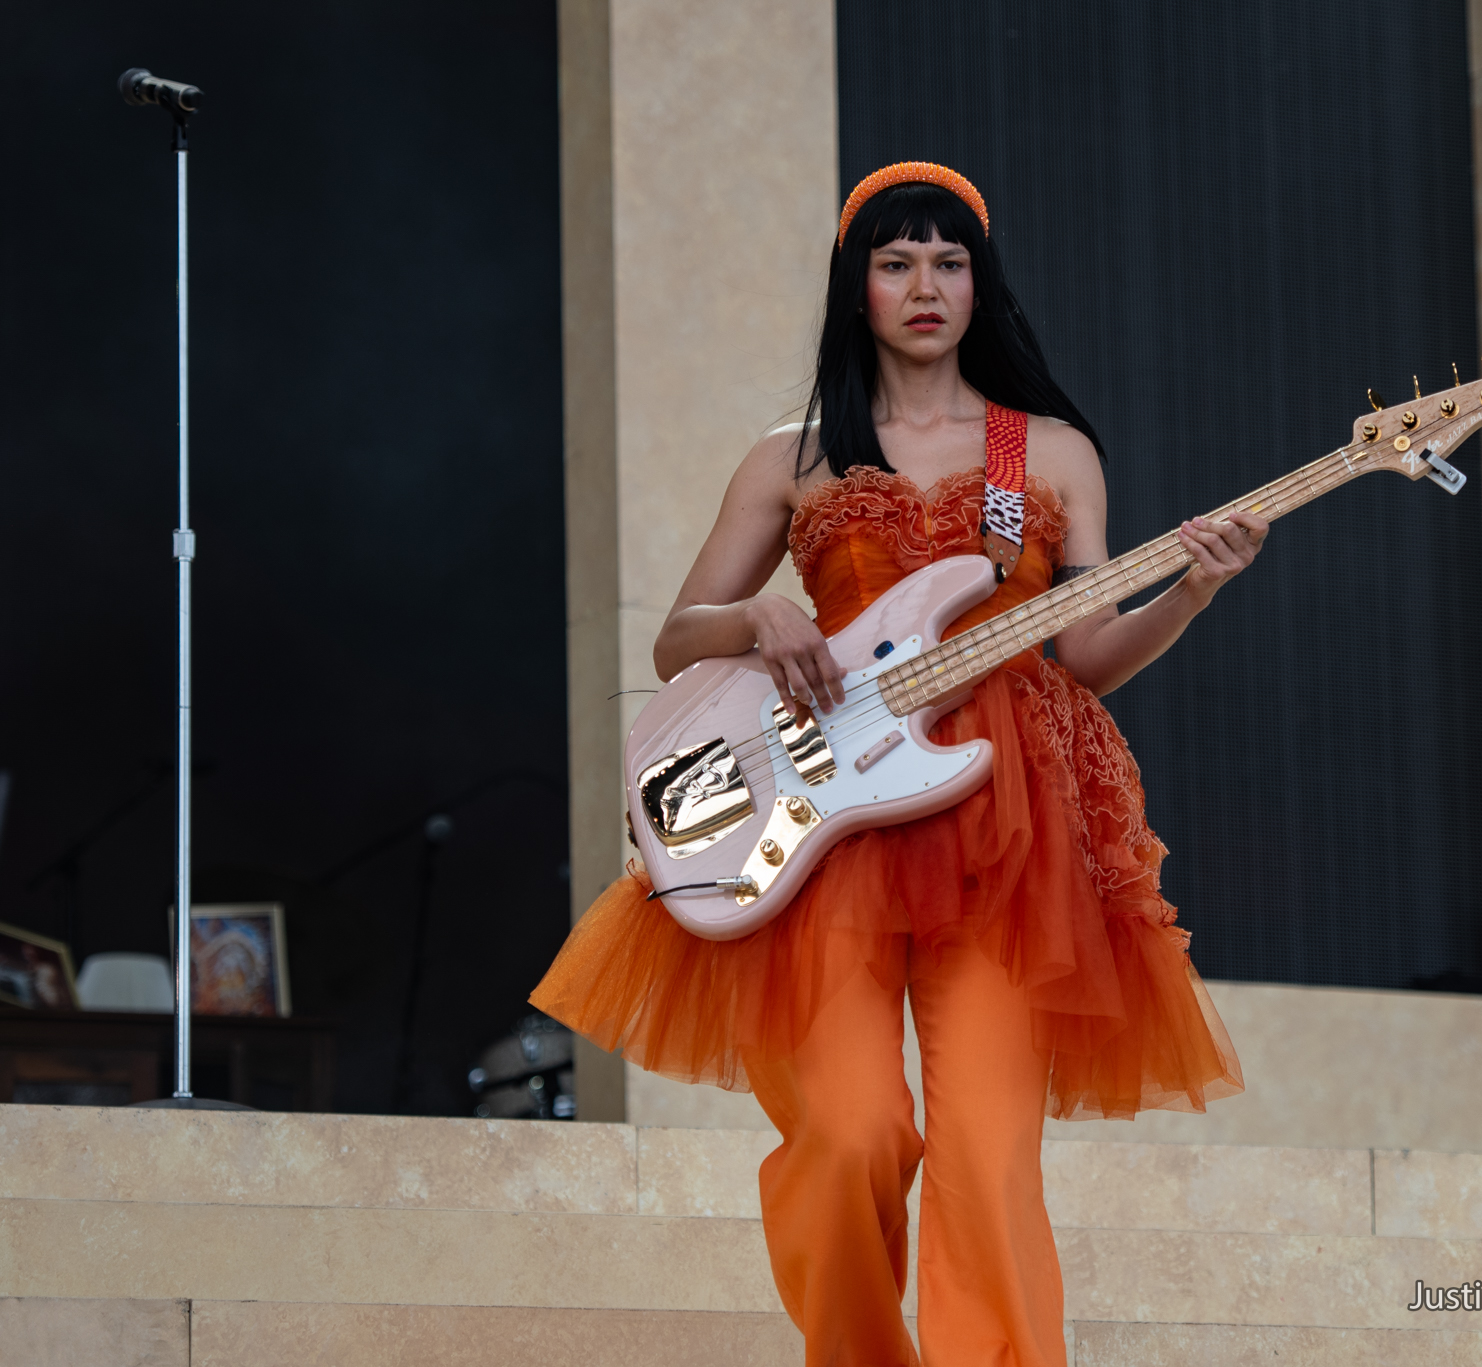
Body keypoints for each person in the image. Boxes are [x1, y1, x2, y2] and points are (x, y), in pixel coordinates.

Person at [532, 162, 1266, 1367]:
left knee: (985, 1153)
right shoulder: (795, 454)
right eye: (894, 261)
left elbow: (1083, 655)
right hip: (829, 818)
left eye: (947, 260)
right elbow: (674, 639)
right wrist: (759, 620)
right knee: (848, 1129)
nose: (923, 284)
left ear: (980, 286)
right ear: (856, 286)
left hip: (1013, 836)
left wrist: (1191, 587)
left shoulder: (1054, 454)